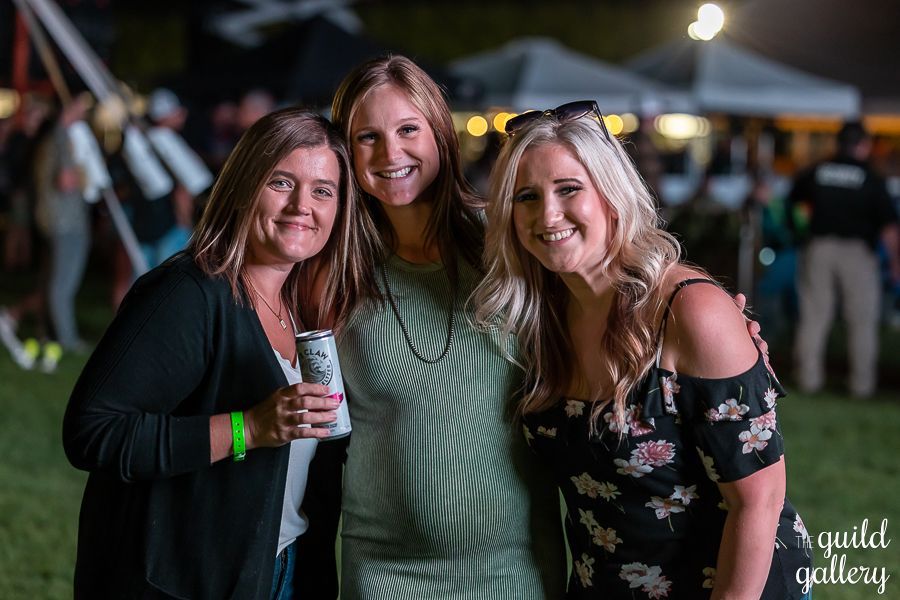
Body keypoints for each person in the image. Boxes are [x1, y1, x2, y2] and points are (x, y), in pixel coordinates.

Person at [473, 101, 811, 599]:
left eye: (569, 189)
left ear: (611, 195)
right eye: (526, 196)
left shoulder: (688, 310)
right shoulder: (540, 318)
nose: (547, 214)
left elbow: (758, 503)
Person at [62, 108, 368, 599]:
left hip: (280, 567)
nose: (301, 207)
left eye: (323, 191)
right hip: (185, 581)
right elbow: (93, 430)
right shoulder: (188, 293)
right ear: (246, 185)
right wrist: (249, 428)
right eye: (281, 183)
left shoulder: (304, 306)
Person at [320, 55, 568, 599]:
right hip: (382, 569)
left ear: (440, 132)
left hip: (510, 566)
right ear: (346, 150)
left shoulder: (510, 242)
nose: (391, 154)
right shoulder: (335, 265)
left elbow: (609, 295)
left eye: (408, 129)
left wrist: (707, 316)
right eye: (368, 137)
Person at [788, 121, 900, 398]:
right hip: (857, 253)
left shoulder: (818, 170)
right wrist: (896, 262)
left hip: (819, 247)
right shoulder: (871, 177)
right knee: (861, 319)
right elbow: (888, 226)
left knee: (814, 316)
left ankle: (808, 379)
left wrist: (802, 231)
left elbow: (794, 203)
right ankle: (861, 385)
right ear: (863, 145)